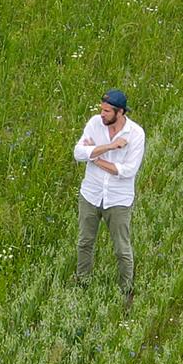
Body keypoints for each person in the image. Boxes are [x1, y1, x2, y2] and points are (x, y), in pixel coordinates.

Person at [73, 89, 145, 304]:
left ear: (120, 112)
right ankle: (82, 283)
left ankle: (126, 291)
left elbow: (127, 170)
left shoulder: (136, 134)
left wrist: (94, 157)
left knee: (122, 249)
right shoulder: (95, 123)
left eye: (106, 111)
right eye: (101, 109)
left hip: (118, 200)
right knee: (85, 242)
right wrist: (110, 147)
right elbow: (78, 153)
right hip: (91, 194)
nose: (101, 114)